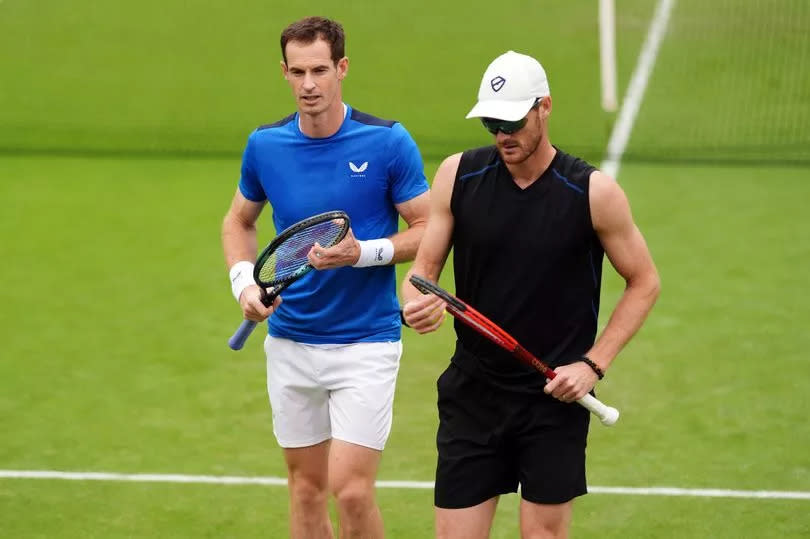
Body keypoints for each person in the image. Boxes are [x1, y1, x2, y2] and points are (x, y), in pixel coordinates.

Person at [401, 50, 660, 539]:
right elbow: (423, 271)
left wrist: (592, 365)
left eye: (513, 121)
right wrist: (415, 303)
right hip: (473, 393)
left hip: (552, 398)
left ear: (544, 107)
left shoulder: (592, 193)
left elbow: (645, 282)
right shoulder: (458, 176)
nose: (503, 134)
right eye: (492, 123)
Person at [221, 16, 430, 539]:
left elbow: (429, 228)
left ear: (342, 68)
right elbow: (238, 221)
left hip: (366, 343)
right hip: (291, 342)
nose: (309, 84)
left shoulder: (387, 142)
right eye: (297, 72)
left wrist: (361, 254)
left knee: (353, 492)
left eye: (319, 70)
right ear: (285, 74)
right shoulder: (265, 146)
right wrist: (244, 283)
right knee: (306, 490)